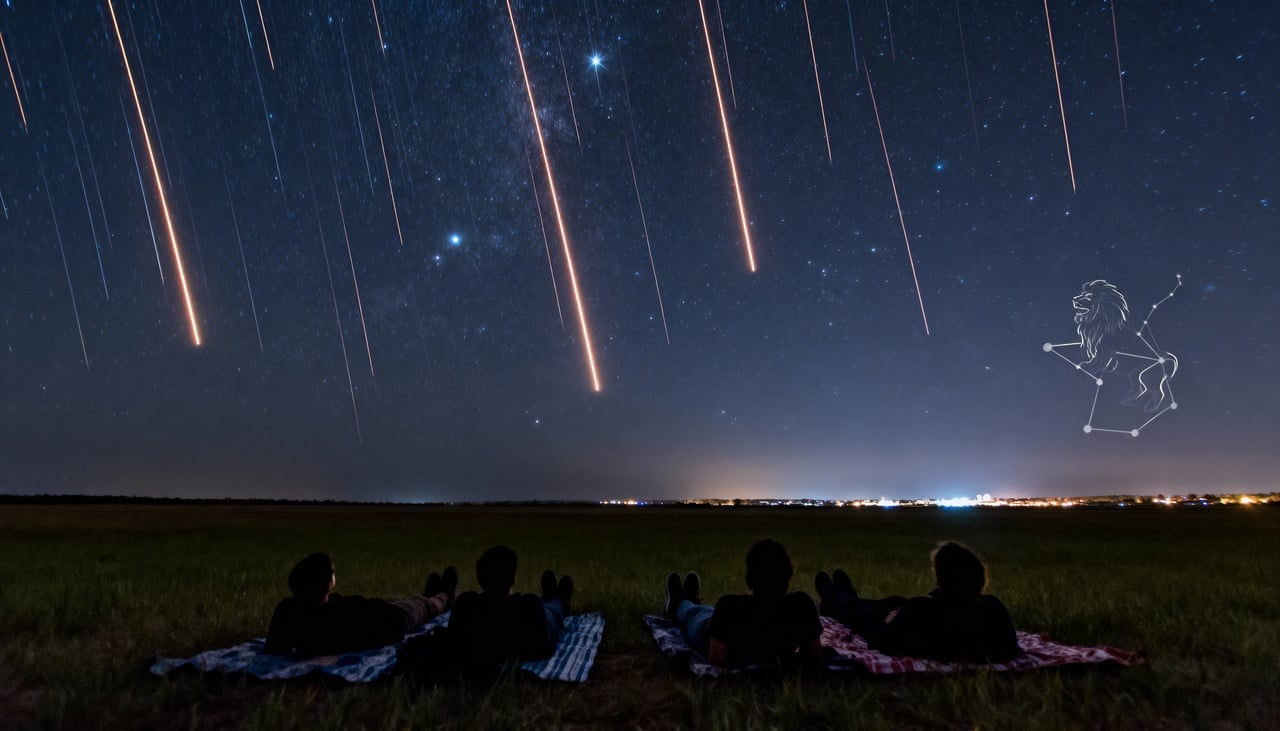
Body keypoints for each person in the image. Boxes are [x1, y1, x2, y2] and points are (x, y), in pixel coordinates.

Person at [815, 541, 1022, 663]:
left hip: (888, 626)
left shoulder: (923, 609)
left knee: (859, 612)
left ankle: (833, 597)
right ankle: (846, 594)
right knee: (895, 601)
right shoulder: (992, 606)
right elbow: (1009, 647)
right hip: (912, 616)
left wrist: (889, 621)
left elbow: (882, 643)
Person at [663, 539, 823, 669]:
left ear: (750, 578)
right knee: (707, 612)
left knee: (695, 614)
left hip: (706, 631)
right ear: (788, 573)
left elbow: (715, 664)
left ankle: (679, 603)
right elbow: (814, 657)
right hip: (726, 623)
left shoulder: (730, 606)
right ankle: (689, 599)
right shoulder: (802, 605)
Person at [263, 552, 456, 656]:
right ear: (329, 583)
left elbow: (274, 648)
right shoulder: (343, 612)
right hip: (396, 619)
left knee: (413, 602)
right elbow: (379, 628)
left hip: (384, 613)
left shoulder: (288, 611)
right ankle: (445, 595)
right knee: (423, 607)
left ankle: (429, 595)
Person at [447, 545, 573, 663]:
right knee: (551, 611)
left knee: (546, 607)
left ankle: (554, 597)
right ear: (512, 580)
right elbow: (542, 648)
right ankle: (560, 601)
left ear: (480, 579)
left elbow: (453, 641)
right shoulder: (527, 606)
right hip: (541, 622)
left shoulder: (465, 604)